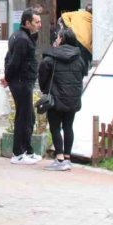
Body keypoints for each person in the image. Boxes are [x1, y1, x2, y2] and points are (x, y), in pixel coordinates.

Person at [38, 27, 87, 171]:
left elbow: (42, 77)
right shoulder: (79, 58)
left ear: (62, 40)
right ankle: (67, 158)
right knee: (68, 127)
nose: (56, 39)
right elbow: (82, 75)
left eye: (58, 37)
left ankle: (59, 159)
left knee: (55, 128)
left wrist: (45, 90)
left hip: (56, 98)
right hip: (73, 98)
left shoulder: (51, 58)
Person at [3, 8, 42, 164]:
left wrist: (8, 77)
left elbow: (9, 58)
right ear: (27, 23)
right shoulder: (22, 39)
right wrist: (7, 77)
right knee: (23, 117)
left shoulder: (21, 36)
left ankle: (28, 150)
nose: (39, 24)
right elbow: (13, 61)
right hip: (21, 82)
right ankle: (18, 153)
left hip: (23, 81)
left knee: (29, 117)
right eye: (36, 22)